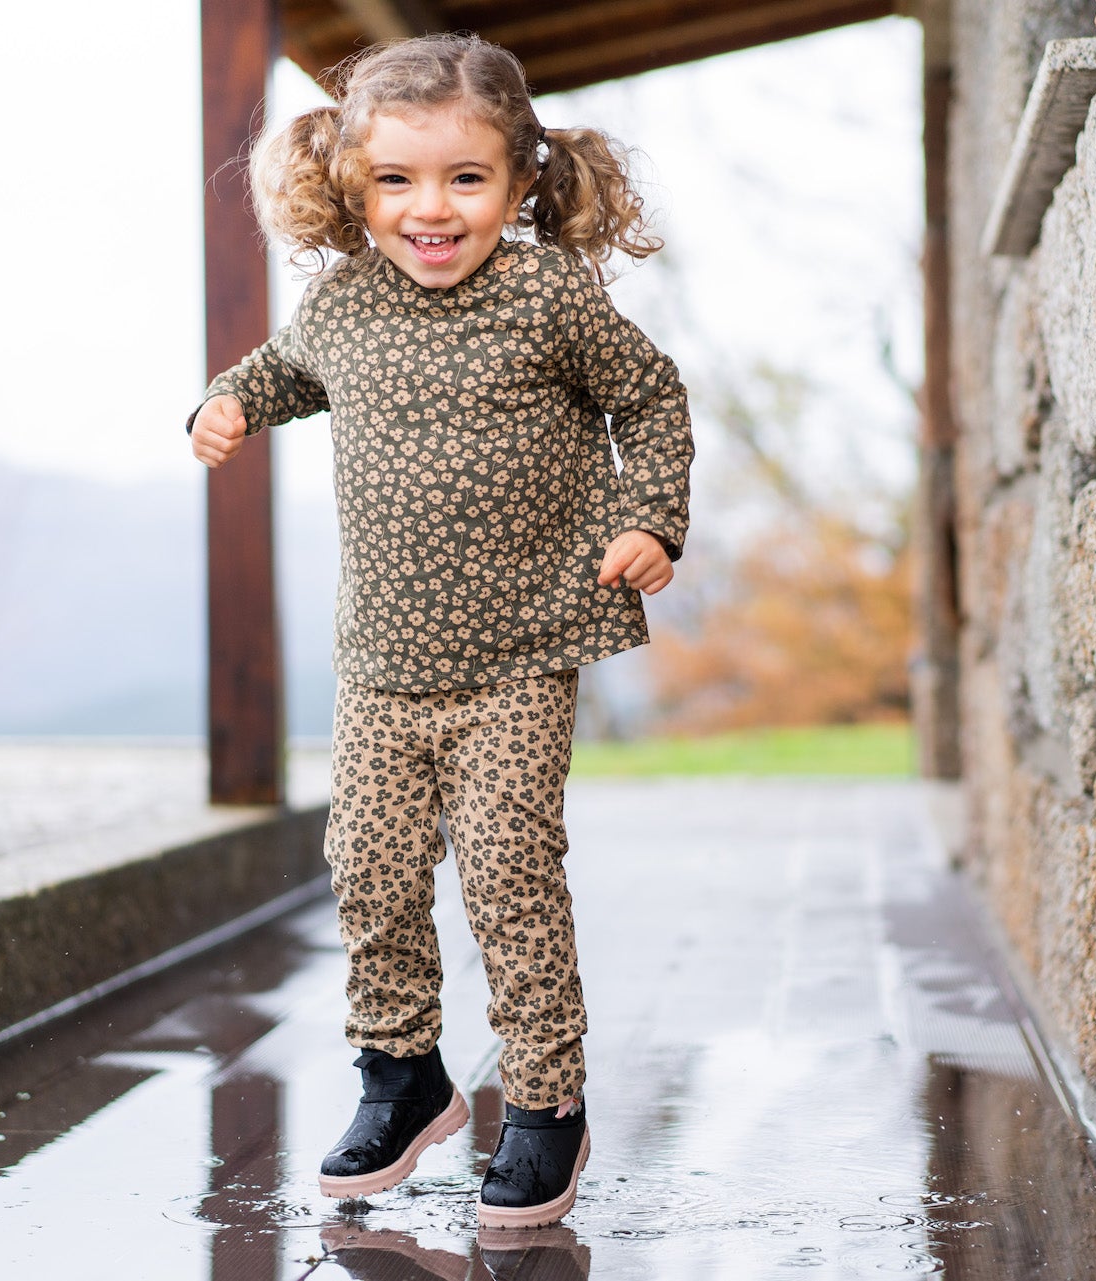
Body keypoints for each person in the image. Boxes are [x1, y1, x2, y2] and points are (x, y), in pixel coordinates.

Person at [185, 34, 692, 1230]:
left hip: (522, 650)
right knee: (367, 868)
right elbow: (280, 370)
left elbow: (650, 397)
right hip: (383, 663)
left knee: (510, 876)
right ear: (350, 184)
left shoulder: (549, 297)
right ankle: (401, 1074)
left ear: (519, 180)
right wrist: (225, 403)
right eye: (397, 180)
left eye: (466, 178)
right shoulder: (342, 304)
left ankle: (546, 1102)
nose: (431, 208)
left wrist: (651, 519)